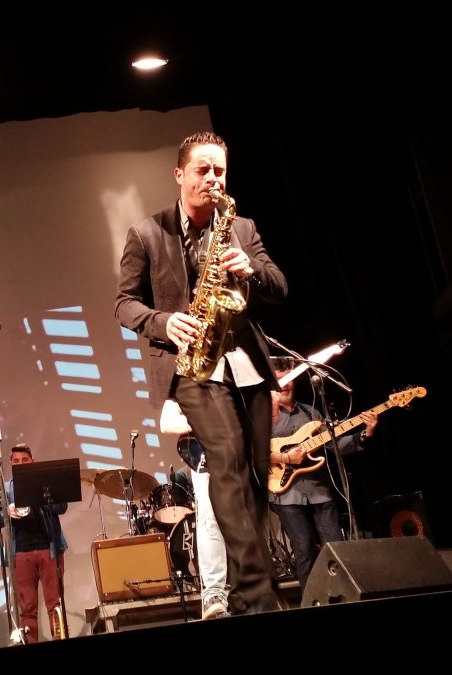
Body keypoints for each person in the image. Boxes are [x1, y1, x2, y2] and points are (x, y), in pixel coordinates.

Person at [116, 131, 289, 616]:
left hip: (246, 369)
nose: (212, 179)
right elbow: (124, 304)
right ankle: (256, 595)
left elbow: (279, 286)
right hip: (190, 369)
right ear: (180, 174)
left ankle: (242, 593)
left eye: (219, 171)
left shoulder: (242, 228)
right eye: (202, 170)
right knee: (228, 463)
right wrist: (164, 321)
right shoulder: (148, 233)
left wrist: (250, 269)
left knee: (255, 476)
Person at [269, 367, 378, 589]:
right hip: (286, 493)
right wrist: (286, 457)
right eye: (280, 381)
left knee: (335, 545)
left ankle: (342, 594)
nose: (286, 385)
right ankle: (311, 602)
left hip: (320, 490)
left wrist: (365, 433)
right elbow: (254, 452)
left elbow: (334, 445)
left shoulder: (312, 414)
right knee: (304, 549)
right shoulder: (265, 417)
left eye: (289, 380)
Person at [0, 444, 69, 643]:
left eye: (25, 460)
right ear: (10, 464)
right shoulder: (5, 487)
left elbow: (62, 507)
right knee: (27, 611)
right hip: (21, 553)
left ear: (32, 460)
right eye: (16, 461)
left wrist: (41, 495)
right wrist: (6, 512)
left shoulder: (45, 482)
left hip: (49, 549)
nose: (20, 464)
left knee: (56, 605)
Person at [160, 399, 229, 619]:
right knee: (210, 520)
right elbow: (167, 422)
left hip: (236, 452)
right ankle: (214, 593)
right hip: (206, 456)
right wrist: (205, 421)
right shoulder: (186, 377)